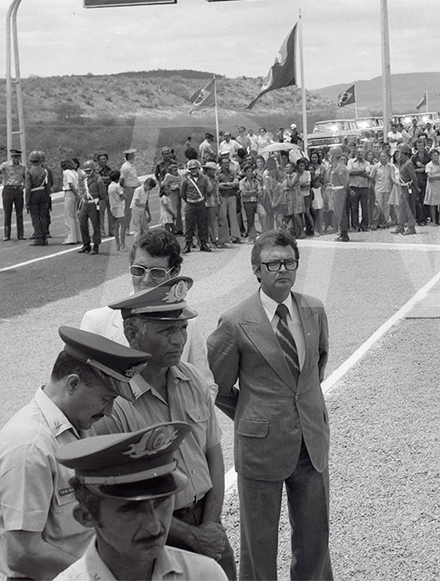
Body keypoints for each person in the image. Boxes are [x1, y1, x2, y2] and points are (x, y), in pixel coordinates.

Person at [89, 277, 235, 578]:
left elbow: (213, 454)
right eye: (167, 330)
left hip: (208, 526)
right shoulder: (114, 401)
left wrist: (210, 524)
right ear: (132, 333)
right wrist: (192, 536)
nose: (179, 340)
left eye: (182, 328)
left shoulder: (192, 378)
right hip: (153, 536)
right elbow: (116, 493)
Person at [208, 230, 333, 580]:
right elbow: (217, 386)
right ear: (256, 269)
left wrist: (302, 412)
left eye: (289, 262)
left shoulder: (313, 310)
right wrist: (252, 414)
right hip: (260, 447)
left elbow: (315, 368)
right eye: (273, 263)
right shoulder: (234, 323)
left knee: (315, 540)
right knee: (259, 544)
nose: (283, 269)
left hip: (311, 443)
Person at [0, 328, 150, 580]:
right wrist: (103, 575)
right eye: (106, 399)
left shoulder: (76, 426)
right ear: (73, 383)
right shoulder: (29, 446)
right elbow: (22, 553)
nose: (108, 412)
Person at [52, 421, 226, 581]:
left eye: (162, 501)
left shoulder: (204, 575)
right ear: (87, 516)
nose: (154, 526)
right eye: (131, 509)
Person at [79, 228, 216, 396]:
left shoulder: (188, 323)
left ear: (174, 272)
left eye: (157, 272)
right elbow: (83, 388)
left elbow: (205, 386)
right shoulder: (97, 321)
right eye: (138, 270)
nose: (146, 279)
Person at [180, 160, 212, 253]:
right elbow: (182, 193)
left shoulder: (204, 179)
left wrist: (203, 199)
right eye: (192, 169)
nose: (194, 170)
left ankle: (203, 243)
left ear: (199, 168)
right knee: (189, 225)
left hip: (200, 203)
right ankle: (188, 244)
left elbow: (206, 191)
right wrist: (189, 200)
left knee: (202, 225)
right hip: (190, 204)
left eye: (195, 168)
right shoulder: (186, 180)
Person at [77, 159, 108, 255]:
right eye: (85, 171)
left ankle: (96, 245)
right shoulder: (84, 180)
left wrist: (100, 207)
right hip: (85, 203)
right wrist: (79, 206)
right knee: (82, 224)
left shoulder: (98, 180)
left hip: (94, 204)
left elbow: (103, 196)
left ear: (93, 170)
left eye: (88, 171)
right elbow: (82, 193)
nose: (87, 173)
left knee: (95, 225)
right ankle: (86, 244)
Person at [25, 150, 54, 246]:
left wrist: (27, 200)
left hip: (33, 194)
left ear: (30, 160)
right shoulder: (44, 171)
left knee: (35, 217)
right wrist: (47, 196)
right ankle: (45, 237)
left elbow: (28, 187)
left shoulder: (29, 172)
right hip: (43, 194)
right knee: (43, 216)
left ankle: (38, 238)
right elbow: (48, 185)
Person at [0, 147, 26, 240]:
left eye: (17, 157)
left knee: (19, 213)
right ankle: (7, 234)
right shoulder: (5, 165)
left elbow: (27, 178)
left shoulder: (22, 167)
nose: (15, 159)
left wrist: (24, 185)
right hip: (8, 189)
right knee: (7, 213)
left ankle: (21, 234)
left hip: (18, 190)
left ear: (19, 157)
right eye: (13, 156)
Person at [393, 143, 418, 235]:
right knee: (402, 207)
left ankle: (411, 227)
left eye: (399, 153)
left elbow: (413, 177)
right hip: (403, 187)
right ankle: (401, 225)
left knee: (409, 207)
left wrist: (416, 187)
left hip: (408, 188)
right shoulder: (402, 163)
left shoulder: (408, 163)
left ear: (404, 153)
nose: (398, 155)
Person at [326, 146, 350, 242]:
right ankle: (342, 232)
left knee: (341, 214)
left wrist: (348, 191)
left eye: (330, 155)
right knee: (338, 213)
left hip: (340, 192)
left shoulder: (340, 167)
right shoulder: (336, 166)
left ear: (333, 156)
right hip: (336, 192)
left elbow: (344, 182)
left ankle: (344, 234)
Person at [119, 148, 140, 235]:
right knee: (128, 209)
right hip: (129, 189)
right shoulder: (125, 167)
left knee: (135, 208)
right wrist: (124, 190)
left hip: (135, 188)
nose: (134, 157)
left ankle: (135, 227)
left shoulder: (131, 166)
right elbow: (121, 180)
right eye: (133, 155)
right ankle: (125, 228)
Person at [130, 176, 156, 244]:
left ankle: (146, 242)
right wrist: (144, 205)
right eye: (150, 187)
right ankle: (137, 243)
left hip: (142, 210)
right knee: (137, 228)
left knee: (145, 228)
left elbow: (147, 203)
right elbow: (136, 202)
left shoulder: (147, 192)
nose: (150, 189)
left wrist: (149, 214)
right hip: (136, 210)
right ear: (146, 184)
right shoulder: (138, 190)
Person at [61, 160, 81, 245]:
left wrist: (76, 194)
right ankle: (78, 236)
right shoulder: (75, 172)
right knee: (74, 216)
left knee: (68, 215)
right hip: (75, 191)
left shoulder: (66, 172)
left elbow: (70, 184)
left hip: (69, 192)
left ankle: (71, 237)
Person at [107, 170, 127, 251]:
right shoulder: (116, 186)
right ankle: (122, 244)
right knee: (123, 225)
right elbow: (123, 196)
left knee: (116, 226)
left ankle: (117, 244)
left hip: (112, 207)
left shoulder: (110, 186)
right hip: (118, 207)